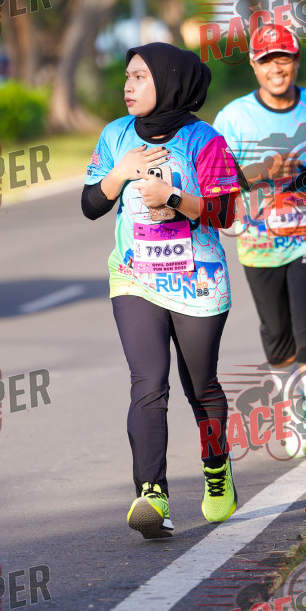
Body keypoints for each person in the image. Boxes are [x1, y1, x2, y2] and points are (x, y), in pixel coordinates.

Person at [82, 42, 241, 540]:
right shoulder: (115, 135)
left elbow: (226, 213)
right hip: (135, 277)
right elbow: (90, 205)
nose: (128, 86)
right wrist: (120, 173)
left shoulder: (205, 141)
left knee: (201, 387)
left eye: (140, 77)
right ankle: (152, 495)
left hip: (198, 281)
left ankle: (216, 467)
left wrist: (173, 197)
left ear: (169, 81)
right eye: (127, 77)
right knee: (148, 383)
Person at [213, 23, 306, 456]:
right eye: (267, 60)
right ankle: (293, 407)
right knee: (277, 333)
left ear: (296, 60)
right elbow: (213, 178)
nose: (277, 68)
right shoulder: (233, 118)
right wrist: (260, 172)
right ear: (254, 66)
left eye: (284, 58)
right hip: (259, 242)